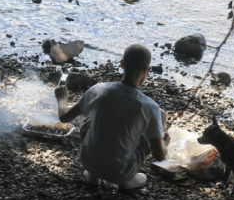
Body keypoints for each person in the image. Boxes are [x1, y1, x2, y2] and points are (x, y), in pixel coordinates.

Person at [54, 43, 168, 189]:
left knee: (89, 117)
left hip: (89, 163)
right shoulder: (150, 106)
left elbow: (64, 117)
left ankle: (94, 176)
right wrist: (165, 144)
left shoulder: (99, 90)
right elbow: (160, 156)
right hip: (122, 173)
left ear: (122, 64)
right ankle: (125, 181)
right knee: (161, 116)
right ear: (146, 70)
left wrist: (62, 98)